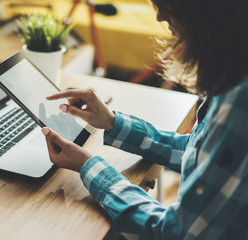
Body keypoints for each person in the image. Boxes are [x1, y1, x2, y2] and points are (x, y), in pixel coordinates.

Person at [40, 0, 248, 239]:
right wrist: (112, 122)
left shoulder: (239, 103)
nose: (159, 17)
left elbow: (174, 233)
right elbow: (196, 151)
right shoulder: (234, 76)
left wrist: (88, 166)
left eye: (167, 7)